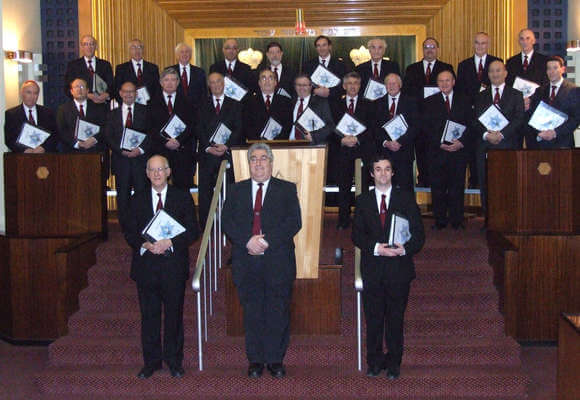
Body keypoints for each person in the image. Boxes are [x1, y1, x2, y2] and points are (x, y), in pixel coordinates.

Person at [222, 143, 302, 379]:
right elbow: (227, 222)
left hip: (277, 260)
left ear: (271, 162)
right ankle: (255, 360)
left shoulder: (286, 189)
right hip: (246, 261)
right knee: (253, 312)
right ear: (249, 164)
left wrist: (266, 242)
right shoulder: (236, 190)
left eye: (263, 158)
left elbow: (294, 222)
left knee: (278, 312)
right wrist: (247, 241)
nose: (258, 163)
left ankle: (276, 360)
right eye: (254, 159)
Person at [123, 154, 198, 379]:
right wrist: (144, 243)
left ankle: (174, 361)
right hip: (146, 266)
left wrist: (171, 242)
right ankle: (151, 362)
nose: (156, 174)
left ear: (168, 172)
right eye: (152, 170)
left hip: (173, 266)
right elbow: (129, 231)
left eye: (160, 169)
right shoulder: (137, 199)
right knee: (149, 316)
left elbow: (193, 231)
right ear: (146, 174)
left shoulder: (182, 197)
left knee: (174, 316)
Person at [351, 155, 425, 379]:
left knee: (395, 319)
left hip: (398, 270)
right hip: (373, 268)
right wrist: (376, 248)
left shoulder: (406, 199)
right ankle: (374, 362)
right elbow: (356, 236)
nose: (383, 174)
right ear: (372, 174)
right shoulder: (363, 201)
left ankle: (394, 363)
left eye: (387, 169)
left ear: (393, 173)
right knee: (373, 319)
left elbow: (419, 235)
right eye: (378, 170)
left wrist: (404, 249)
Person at [473, 60, 525, 221]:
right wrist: (486, 135)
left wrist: (501, 134)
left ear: (505, 73)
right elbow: (475, 121)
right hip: (485, 146)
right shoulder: (480, 96)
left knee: (507, 184)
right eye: (492, 71)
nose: (495, 74)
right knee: (486, 184)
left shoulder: (516, 95)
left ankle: (509, 219)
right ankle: (489, 219)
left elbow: (519, 119)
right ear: (488, 75)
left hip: (508, 146)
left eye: (498, 70)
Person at [423, 70, 472, 230]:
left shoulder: (464, 100)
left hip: (458, 151)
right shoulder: (429, 101)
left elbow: (471, 125)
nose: (444, 84)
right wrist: (439, 142)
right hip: (437, 151)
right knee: (437, 187)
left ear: (453, 82)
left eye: (447, 80)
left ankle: (457, 220)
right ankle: (440, 220)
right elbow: (426, 127)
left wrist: (461, 142)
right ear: (437, 84)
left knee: (457, 186)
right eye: (441, 81)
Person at [402, 37, 454, 187]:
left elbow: (451, 92)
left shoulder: (446, 67)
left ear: (437, 49)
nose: (429, 50)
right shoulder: (412, 69)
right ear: (422, 49)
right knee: (421, 153)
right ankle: (423, 181)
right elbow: (407, 93)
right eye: (426, 47)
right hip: (418, 120)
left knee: (440, 157)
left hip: (439, 121)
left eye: (432, 47)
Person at [195, 72, 242, 229]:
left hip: (226, 154)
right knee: (205, 192)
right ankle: (206, 226)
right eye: (212, 82)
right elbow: (198, 128)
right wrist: (208, 147)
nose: (216, 85)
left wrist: (226, 146)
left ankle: (229, 225)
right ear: (209, 85)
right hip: (207, 154)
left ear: (224, 84)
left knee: (229, 191)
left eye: (219, 82)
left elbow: (239, 128)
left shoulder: (235, 104)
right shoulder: (201, 104)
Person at [456, 32, 503, 188]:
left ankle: (489, 183)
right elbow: (460, 91)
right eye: (477, 43)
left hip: (491, 117)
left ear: (488, 44)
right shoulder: (463, 65)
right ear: (473, 44)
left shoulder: (496, 62)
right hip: (471, 116)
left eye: (483, 43)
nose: (480, 46)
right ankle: (474, 181)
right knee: (472, 151)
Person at [330, 71, 375, 229]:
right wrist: (341, 139)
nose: (352, 86)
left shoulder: (368, 104)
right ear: (343, 86)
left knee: (362, 188)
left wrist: (358, 139)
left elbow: (372, 128)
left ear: (360, 85)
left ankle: (362, 221)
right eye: (349, 83)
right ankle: (343, 220)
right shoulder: (335, 104)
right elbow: (331, 127)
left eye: (355, 83)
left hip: (362, 151)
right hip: (342, 152)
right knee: (343, 187)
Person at [104, 82, 152, 227]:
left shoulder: (145, 111)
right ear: (120, 93)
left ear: (136, 94)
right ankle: (124, 225)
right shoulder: (112, 114)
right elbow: (108, 136)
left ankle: (142, 223)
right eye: (125, 91)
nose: (128, 94)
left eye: (132, 92)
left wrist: (140, 149)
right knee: (123, 195)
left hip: (140, 160)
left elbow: (151, 134)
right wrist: (120, 150)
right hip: (121, 160)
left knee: (142, 193)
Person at [149, 67, 196, 191]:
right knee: (159, 188)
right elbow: (150, 128)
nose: (170, 83)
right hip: (160, 151)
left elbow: (191, 125)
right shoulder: (151, 103)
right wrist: (166, 142)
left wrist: (179, 141)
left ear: (178, 82)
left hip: (182, 152)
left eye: (173, 80)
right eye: (166, 80)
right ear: (161, 82)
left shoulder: (187, 102)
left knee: (183, 190)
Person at [375, 73, 419, 192]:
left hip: (404, 152)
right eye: (388, 83)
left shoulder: (411, 102)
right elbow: (375, 128)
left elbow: (415, 126)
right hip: (384, 154)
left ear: (400, 85)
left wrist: (399, 142)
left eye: (394, 83)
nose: (391, 86)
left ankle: (406, 211)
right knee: (385, 189)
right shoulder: (378, 103)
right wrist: (386, 142)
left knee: (406, 190)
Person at [526, 56, 578, 149]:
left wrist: (555, 133)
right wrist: (539, 132)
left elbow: (576, 118)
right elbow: (532, 114)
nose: (551, 71)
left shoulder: (574, 90)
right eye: (549, 68)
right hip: (541, 144)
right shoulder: (539, 91)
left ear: (563, 69)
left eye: (555, 68)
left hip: (563, 144)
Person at [56, 78, 107, 154]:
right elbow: (61, 130)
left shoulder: (99, 108)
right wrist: (77, 143)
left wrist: (94, 139)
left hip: (95, 151)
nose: (79, 90)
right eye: (76, 87)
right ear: (71, 91)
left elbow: (105, 127)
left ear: (87, 91)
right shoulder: (63, 109)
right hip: (71, 153)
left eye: (82, 87)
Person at [4, 80, 58, 153]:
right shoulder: (11, 114)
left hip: (44, 156)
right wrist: (24, 150)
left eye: (35, 93)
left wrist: (43, 148)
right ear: (22, 93)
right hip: (21, 158)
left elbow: (55, 135)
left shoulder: (48, 113)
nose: (32, 96)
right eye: (29, 92)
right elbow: (9, 139)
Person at [243, 68, 292, 141]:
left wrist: (275, 142)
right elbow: (247, 126)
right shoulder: (249, 102)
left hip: (279, 145)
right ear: (259, 83)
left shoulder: (286, 102)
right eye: (263, 78)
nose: (267, 81)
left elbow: (288, 126)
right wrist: (259, 142)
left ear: (275, 82)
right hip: (256, 145)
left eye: (270, 78)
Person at [64, 35, 114, 104]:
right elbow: (68, 88)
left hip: (102, 105)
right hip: (83, 105)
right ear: (81, 47)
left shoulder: (105, 65)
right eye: (85, 44)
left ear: (96, 47)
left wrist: (107, 95)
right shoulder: (73, 66)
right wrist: (86, 95)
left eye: (91, 44)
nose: (89, 47)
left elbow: (112, 86)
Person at [289, 74, 335, 144]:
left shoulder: (321, 103)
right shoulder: (289, 102)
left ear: (311, 86)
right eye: (298, 85)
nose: (301, 88)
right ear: (295, 87)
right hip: (288, 144)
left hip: (311, 145)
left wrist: (314, 136)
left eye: (304, 85)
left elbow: (330, 126)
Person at [113, 39, 160, 104]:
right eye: (133, 47)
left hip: (149, 107)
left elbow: (157, 89)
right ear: (129, 50)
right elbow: (117, 89)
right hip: (129, 106)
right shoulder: (121, 69)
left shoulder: (153, 68)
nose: (137, 50)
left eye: (139, 47)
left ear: (143, 50)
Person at [302, 35, 348, 100]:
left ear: (329, 47)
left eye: (324, 45)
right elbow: (303, 84)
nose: (321, 48)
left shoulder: (340, 64)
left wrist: (329, 91)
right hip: (314, 103)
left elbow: (345, 85)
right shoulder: (308, 65)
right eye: (318, 46)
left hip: (334, 104)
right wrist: (314, 91)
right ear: (316, 48)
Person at [169, 42, 207, 109]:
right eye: (182, 52)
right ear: (177, 55)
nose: (184, 54)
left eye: (187, 52)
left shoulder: (200, 72)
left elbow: (204, 95)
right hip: (176, 111)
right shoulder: (169, 71)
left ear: (191, 54)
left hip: (196, 113)